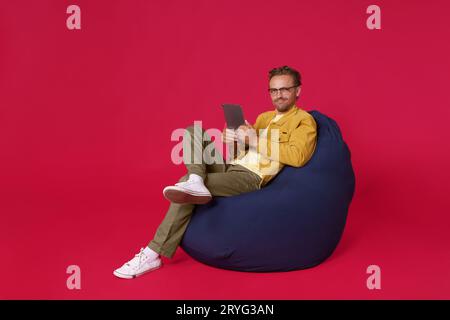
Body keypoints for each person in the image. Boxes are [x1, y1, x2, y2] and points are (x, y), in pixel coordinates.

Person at [113, 66, 318, 279]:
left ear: (298, 91)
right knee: (193, 131)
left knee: (182, 185)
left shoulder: (304, 121)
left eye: (285, 89)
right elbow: (239, 154)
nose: (279, 95)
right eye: (274, 90)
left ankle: (152, 253)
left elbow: (298, 156)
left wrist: (253, 139)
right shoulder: (265, 118)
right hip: (232, 166)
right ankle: (196, 180)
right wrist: (233, 140)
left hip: (250, 177)